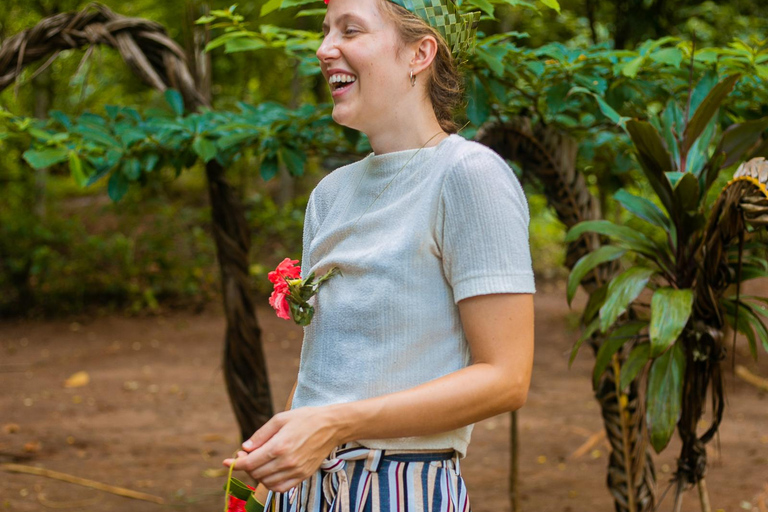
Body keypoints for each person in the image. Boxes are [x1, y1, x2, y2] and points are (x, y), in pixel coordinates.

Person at [223, 0, 536, 510]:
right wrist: (263, 485)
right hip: (306, 490)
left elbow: (506, 378)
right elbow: (322, 374)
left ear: (419, 52)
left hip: (402, 489)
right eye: (325, 32)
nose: (325, 50)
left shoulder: (467, 175)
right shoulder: (331, 194)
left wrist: (335, 423)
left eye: (350, 30)